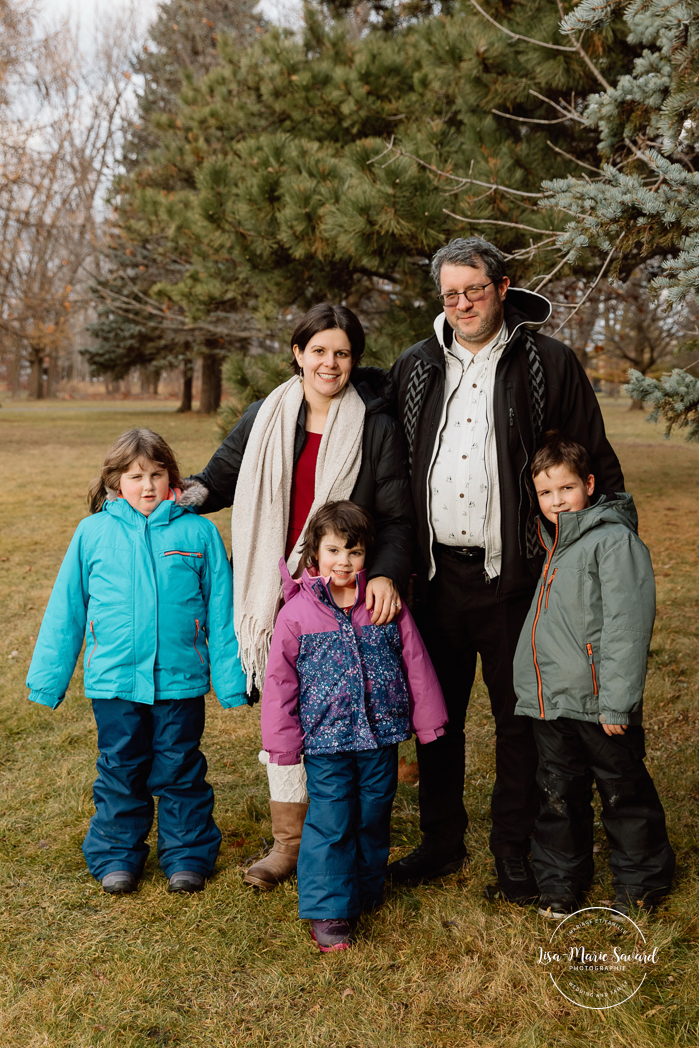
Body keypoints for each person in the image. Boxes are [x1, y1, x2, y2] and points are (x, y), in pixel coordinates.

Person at [385, 236, 625, 902]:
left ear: (501, 287)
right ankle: (438, 842)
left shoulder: (547, 364)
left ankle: (514, 854)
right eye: (450, 293)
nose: (462, 303)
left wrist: (597, 560)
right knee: (435, 719)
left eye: (475, 289)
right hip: (433, 580)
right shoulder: (413, 368)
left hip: (517, 578)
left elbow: (592, 464)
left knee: (520, 723)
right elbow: (386, 468)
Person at [185, 304, 413, 890]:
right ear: (298, 353)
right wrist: (174, 496)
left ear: (353, 359)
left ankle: (342, 840)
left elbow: (394, 518)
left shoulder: (375, 427)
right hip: (279, 591)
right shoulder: (269, 413)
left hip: (342, 594)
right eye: (318, 351)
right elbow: (221, 477)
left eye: (341, 353)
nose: (329, 363)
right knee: (284, 713)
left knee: (337, 714)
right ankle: (290, 842)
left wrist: (384, 573)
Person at [26, 429, 247, 895]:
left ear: (173, 478)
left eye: (156, 474)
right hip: (114, 683)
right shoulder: (93, 533)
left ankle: (187, 854)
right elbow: (67, 609)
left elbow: (222, 612)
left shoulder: (198, 532)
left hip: (180, 681)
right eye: (135, 476)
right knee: (121, 767)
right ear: (115, 482)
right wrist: (48, 680)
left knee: (180, 766)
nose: (147, 486)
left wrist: (230, 683)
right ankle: (116, 855)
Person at [261, 501, 448, 951]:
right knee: (330, 819)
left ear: (368, 555)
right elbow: (279, 682)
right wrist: (283, 744)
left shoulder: (383, 603)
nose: (343, 561)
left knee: (371, 813)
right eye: (333, 551)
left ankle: (364, 889)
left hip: (380, 735)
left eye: (355, 552)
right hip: (326, 742)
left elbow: (416, 663)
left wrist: (429, 723)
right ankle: (330, 909)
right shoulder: (296, 614)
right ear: (313, 555)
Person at [513, 432, 675, 917]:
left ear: (588, 484)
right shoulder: (556, 543)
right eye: (545, 493)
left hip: (601, 703)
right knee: (558, 793)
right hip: (554, 700)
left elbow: (627, 626)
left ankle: (642, 881)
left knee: (622, 789)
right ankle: (561, 881)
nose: (556, 501)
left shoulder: (613, 541)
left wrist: (617, 702)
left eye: (565, 489)